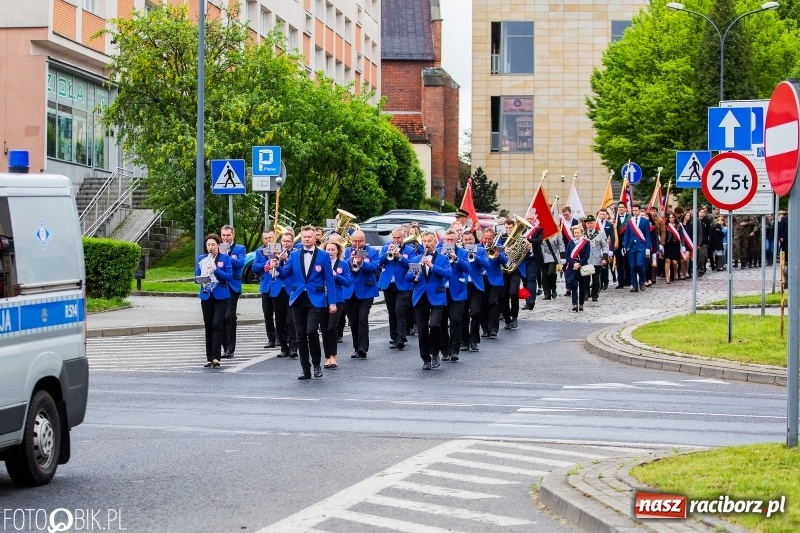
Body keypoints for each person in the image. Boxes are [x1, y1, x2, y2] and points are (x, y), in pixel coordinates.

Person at [273, 225, 337, 380]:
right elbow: (285, 274)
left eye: (309, 237)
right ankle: (305, 368)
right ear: (301, 238)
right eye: (304, 237)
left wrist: (332, 302)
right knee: (300, 335)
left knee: (311, 331)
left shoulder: (323, 255)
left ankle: (316, 365)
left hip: (316, 299)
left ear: (315, 238)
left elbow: (329, 280)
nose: (306, 239)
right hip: (298, 298)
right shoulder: (294, 255)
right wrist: (278, 266)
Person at [407, 232, 452, 370]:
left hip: (437, 296)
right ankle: (425, 358)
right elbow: (408, 278)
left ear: (435, 242)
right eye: (424, 241)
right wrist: (416, 271)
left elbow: (449, 274)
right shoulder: (416, 258)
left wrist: (432, 266)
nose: (426, 243)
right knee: (422, 330)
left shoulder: (443, 258)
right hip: (420, 296)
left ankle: (436, 353)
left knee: (433, 325)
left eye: (429, 241)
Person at [196, 233, 232, 368]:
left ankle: (217, 357)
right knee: (208, 325)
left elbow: (228, 277)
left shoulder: (225, 259)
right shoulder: (202, 258)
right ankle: (209, 357)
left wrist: (216, 270)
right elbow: (196, 275)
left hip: (221, 295)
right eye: (208, 245)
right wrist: (201, 278)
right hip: (206, 295)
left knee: (217, 324)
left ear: (218, 245)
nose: (210, 247)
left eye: (213, 244)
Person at [344, 230, 379, 359]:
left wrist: (361, 262)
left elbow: (374, 268)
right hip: (350, 290)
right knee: (353, 321)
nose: (357, 244)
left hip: (366, 290)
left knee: (362, 318)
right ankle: (356, 347)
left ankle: (363, 348)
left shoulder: (373, 252)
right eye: (354, 241)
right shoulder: (347, 251)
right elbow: (341, 267)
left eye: (360, 241)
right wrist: (351, 260)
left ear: (364, 240)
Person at [378, 228, 414, 350]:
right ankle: (394, 337)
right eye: (394, 238)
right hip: (389, 284)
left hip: (403, 284)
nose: (396, 240)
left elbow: (412, 265)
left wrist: (400, 257)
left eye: (399, 238)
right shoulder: (386, 247)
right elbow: (379, 263)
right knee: (391, 312)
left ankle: (401, 338)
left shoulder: (409, 250)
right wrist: (387, 253)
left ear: (403, 237)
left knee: (400, 311)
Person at [439, 229, 470, 362]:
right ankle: (444, 350)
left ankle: (453, 350)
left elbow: (468, 268)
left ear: (457, 240)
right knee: (441, 322)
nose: (450, 242)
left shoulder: (463, 252)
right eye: (447, 239)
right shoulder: (439, 251)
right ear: (444, 239)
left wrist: (457, 259)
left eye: (452, 240)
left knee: (456, 320)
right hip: (441, 291)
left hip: (457, 291)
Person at [321, 238, 351, 369]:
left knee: (331, 327)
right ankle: (327, 357)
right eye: (328, 249)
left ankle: (333, 356)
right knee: (323, 329)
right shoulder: (321, 263)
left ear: (338, 251)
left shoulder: (343, 264)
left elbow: (347, 282)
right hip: (322, 299)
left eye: (333, 249)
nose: (330, 252)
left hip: (337, 299)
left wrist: (335, 275)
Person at [220, 225, 247, 358]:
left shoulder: (240, 248)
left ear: (233, 235)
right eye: (223, 235)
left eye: (228, 235)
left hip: (232, 286)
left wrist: (225, 256)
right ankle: (224, 346)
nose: (225, 238)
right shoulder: (216, 247)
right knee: (221, 318)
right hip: (219, 286)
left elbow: (240, 264)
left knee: (229, 316)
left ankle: (230, 349)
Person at [271, 231, 299, 358]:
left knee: (291, 320)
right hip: (277, 289)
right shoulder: (275, 252)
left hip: (290, 288)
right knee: (280, 320)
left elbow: (297, 269)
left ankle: (293, 348)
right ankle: (284, 348)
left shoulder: (295, 254)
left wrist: (286, 259)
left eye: (288, 241)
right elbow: (268, 267)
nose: (286, 243)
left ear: (293, 242)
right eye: (284, 241)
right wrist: (275, 262)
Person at [459, 230, 488, 352]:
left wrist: (476, 257)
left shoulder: (481, 250)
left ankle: (474, 340)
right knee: (463, 314)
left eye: (470, 239)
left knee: (475, 313)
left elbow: (487, 265)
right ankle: (464, 341)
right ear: (463, 241)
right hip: (463, 285)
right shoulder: (460, 252)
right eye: (465, 240)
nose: (468, 242)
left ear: (474, 239)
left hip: (475, 286)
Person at [252, 230, 277, 349]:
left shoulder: (278, 248)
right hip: (266, 285)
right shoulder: (259, 251)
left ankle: (281, 337)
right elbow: (254, 267)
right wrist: (264, 266)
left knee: (280, 314)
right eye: (266, 238)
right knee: (267, 313)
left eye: (270, 238)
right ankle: (271, 339)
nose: (268, 240)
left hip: (278, 285)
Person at [479, 228, 506, 338]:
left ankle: (493, 329)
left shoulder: (499, 247)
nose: (487, 240)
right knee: (482, 304)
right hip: (481, 278)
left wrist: (499, 255)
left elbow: (505, 262)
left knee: (493, 303)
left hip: (494, 279)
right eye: (485, 238)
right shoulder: (478, 247)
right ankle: (485, 328)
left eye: (489, 238)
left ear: (493, 238)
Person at [623, 203, 650, 293]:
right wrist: (625, 245)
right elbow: (627, 234)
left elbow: (647, 235)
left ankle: (642, 281)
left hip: (641, 246)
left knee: (639, 264)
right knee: (632, 266)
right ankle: (634, 285)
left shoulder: (645, 221)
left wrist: (647, 247)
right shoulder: (629, 221)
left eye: (636, 210)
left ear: (639, 210)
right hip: (631, 246)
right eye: (633, 210)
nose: (634, 212)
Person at [499, 218, 521, 330]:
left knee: (513, 293)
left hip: (515, 270)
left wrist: (527, 248)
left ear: (514, 227)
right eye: (506, 228)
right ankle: (507, 319)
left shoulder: (519, 238)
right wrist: (504, 250)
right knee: (503, 297)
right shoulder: (501, 238)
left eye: (510, 228)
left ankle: (515, 316)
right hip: (503, 270)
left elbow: (525, 253)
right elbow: (495, 250)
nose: (508, 230)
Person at [564, 225, 590, 311]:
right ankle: (574, 304)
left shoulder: (586, 242)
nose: (576, 234)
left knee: (582, 286)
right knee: (574, 285)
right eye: (575, 233)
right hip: (573, 267)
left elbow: (587, 255)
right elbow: (567, 255)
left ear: (582, 233)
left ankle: (581, 303)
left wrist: (579, 263)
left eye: (578, 233)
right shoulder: (570, 242)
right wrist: (574, 263)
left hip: (582, 266)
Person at [522, 210, 544, 310]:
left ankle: (531, 301)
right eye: (528, 219)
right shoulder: (522, 230)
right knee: (525, 280)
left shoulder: (538, 229)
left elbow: (539, 240)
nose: (529, 220)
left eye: (531, 219)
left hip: (534, 258)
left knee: (531, 279)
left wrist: (528, 240)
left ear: (535, 220)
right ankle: (527, 300)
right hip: (523, 259)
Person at [584, 215, 608, 302]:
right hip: (586, 260)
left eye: (591, 223)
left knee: (596, 278)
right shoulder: (583, 234)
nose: (590, 225)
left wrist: (605, 258)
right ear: (586, 224)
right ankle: (586, 293)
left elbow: (605, 247)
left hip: (597, 259)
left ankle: (595, 294)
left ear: (595, 223)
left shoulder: (600, 234)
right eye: (588, 223)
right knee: (586, 278)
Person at [663, 212, 685, 282]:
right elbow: (663, 235)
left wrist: (683, 245)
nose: (671, 219)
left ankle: (676, 272)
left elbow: (682, 236)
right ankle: (667, 278)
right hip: (668, 245)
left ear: (675, 218)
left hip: (676, 245)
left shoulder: (678, 226)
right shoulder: (666, 226)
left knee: (675, 262)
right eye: (670, 217)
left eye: (672, 217)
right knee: (667, 260)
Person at [596, 209, 615, 290]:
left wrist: (611, 249)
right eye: (601, 214)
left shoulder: (609, 225)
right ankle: (598, 283)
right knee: (597, 266)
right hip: (596, 247)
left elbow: (612, 238)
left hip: (605, 247)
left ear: (606, 215)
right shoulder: (595, 224)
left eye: (604, 214)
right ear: (598, 215)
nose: (602, 216)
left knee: (604, 266)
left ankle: (605, 282)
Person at [614, 202, 631, 288]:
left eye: (622, 207)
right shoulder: (615, 219)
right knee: (619, 263)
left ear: (625, 208)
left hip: (627, 244)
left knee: (627, 263)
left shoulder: (629, 218)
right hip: (618, 244)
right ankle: (620, 282)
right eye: (619, 207)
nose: (621, 208)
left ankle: (628, 280)